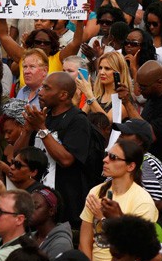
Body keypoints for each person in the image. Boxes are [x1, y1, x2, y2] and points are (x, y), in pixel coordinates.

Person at [14, 72, 99, 228]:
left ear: (63, 95)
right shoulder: (44, 117)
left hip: (66, 207)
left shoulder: (78, 120)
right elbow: (19, 157)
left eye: (46, 88)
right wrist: (27, 130)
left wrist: (42, 129)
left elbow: (66, 159)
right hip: (37, 201)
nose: (40, 92)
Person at [79, 139, 158, 261]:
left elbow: (138, 245)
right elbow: (85, 240)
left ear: (131, 166)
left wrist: (103, 219)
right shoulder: (96, 191)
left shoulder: (143, 201)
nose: (105, 160)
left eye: (113, 157)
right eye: (107, 155)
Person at [120, 60, 162, 174]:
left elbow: (148, 135)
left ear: (159, 82)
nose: (140, 90)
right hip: (147, 165)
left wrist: (127, 103)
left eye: (143, 87)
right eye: (138, 85)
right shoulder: (152, 97)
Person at [31, 186, 73, 259]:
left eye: (35, 206)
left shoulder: (61, 244)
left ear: (51, 211)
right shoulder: (30, 238)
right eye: (28, 205)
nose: (29, 210)